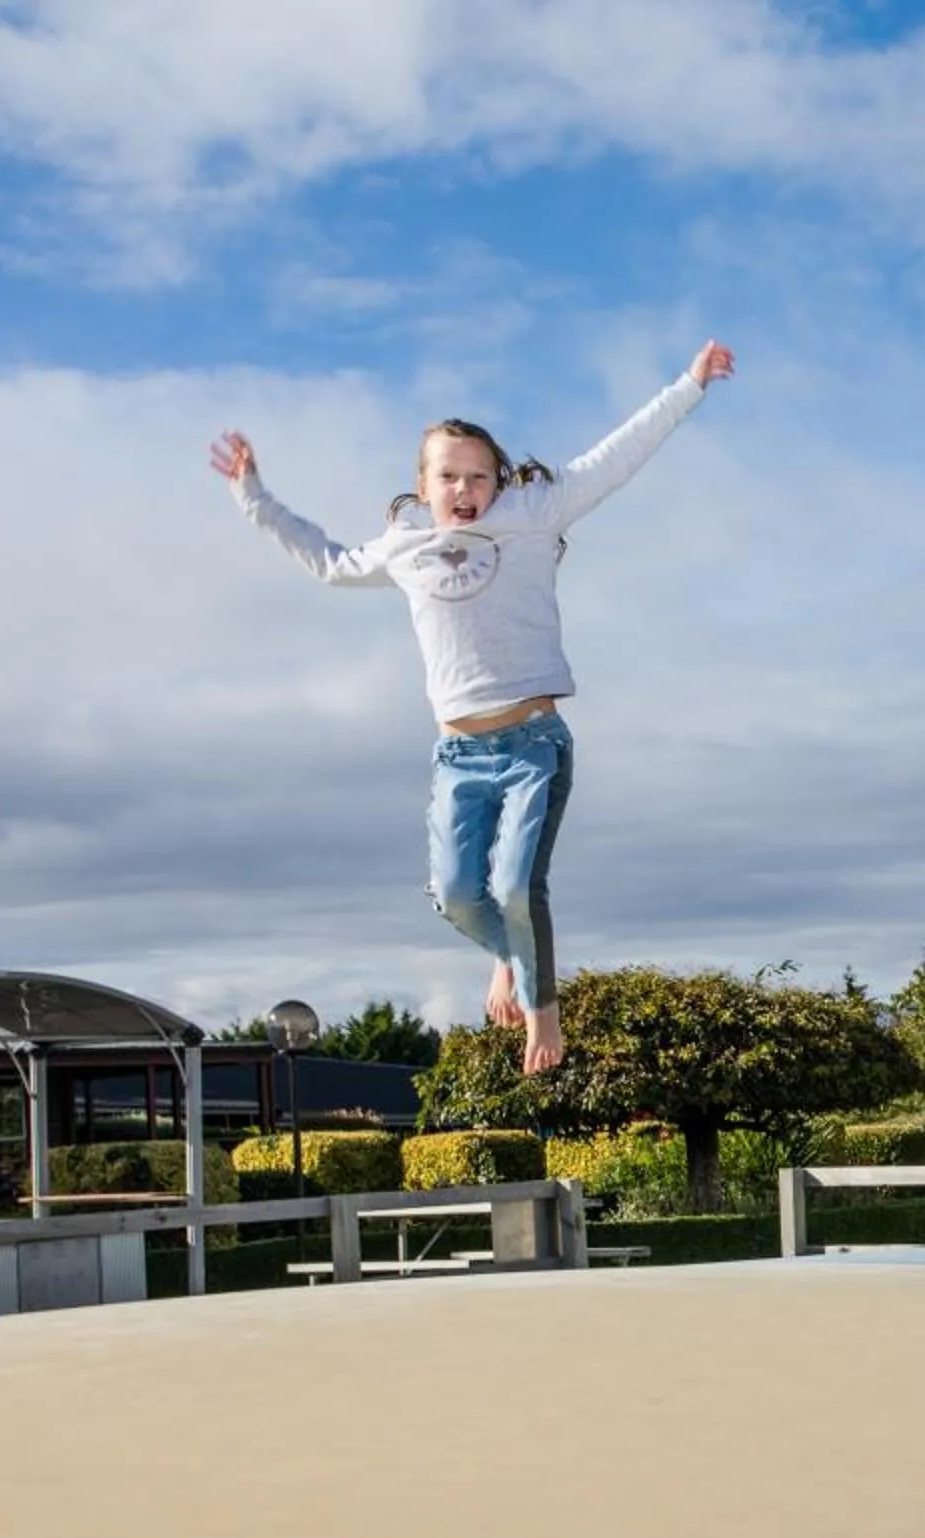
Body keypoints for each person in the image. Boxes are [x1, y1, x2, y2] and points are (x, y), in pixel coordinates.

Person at [209, 340, 735, 1072]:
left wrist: (689, 384)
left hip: (532, 743)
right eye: (448, 476)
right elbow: (328, 561)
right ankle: (511, 958)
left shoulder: (534, 512)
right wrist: (254, 497)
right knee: (456, 896)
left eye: (479, 476)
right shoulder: (404, 546)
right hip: (458, 754)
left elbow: (616, 457)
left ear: (499, 480)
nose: (464, 489)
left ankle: (543, 1018)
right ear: (422, 485)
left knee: (517, 886)